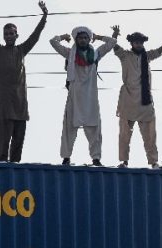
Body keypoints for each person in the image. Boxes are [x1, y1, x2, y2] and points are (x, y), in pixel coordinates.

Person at [0, 0, 48, 162]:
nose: (9, 36)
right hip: (4, 105)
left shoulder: (21, 50)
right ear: (4, 36)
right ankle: (1, 167)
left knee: (18, 143)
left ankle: (15, 168)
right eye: (7, 34)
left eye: (12, 33)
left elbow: (35, 36)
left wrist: (44, 16)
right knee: (2, 145)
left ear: (17, 35)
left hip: (20, 105)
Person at [50, 25, 118, 166]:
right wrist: (63, 37)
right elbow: (53, 42)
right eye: (80, 38)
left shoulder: (96, 54)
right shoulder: (70, 54)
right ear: (76, 39)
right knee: (69, 128)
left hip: (90, 97)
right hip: (74, 97)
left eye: (86, 38)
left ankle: (96, 158)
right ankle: (66, 158)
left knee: (94, 128)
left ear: (89, 39)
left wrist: (98, 37)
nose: (83, 40)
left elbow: (112, 42)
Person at [111, 30, 162, 168]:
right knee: (124, 134)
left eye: (140, 42)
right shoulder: (125, 55)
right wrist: (115, 35)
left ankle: (153, 162)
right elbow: (114, 46)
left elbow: (160, 50)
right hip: (128, 100)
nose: (139, 44)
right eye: (136, 42)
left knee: (150, 135)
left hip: (144, 101)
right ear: (131, 43)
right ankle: (124, 161)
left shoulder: (147, 56)